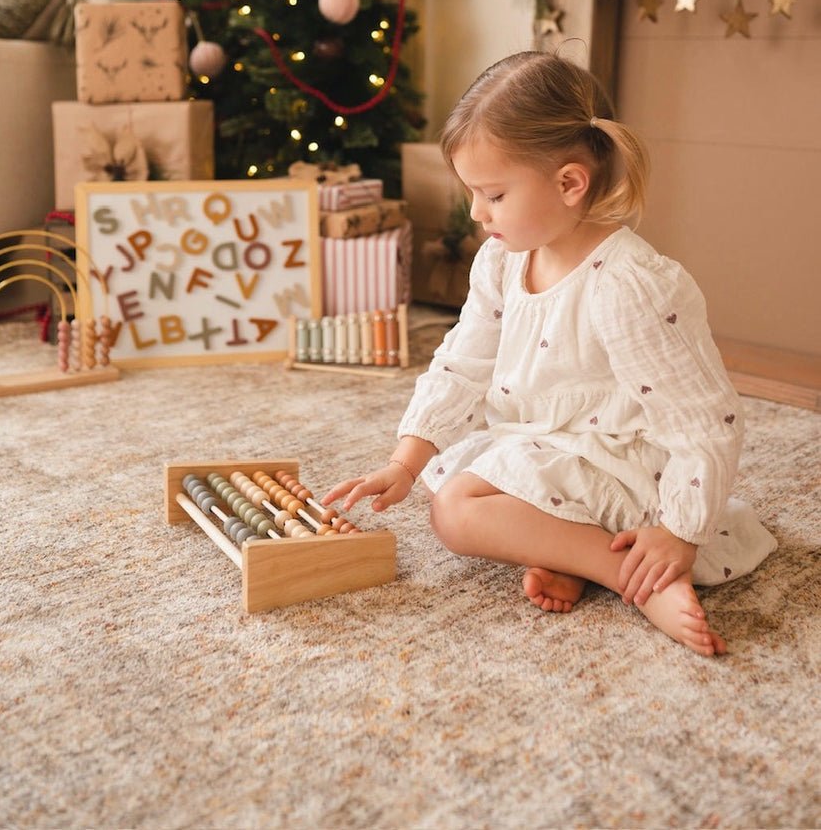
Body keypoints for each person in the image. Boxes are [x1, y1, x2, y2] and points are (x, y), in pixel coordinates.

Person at [323, 51, 777, 656]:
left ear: (569, 183)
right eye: (472, 194)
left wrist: (679, 532)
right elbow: (464, 360)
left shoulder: (629, 286)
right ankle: (574, 554)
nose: (476, 213)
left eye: (493, 194)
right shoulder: (503, 259)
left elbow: (702, 419)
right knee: (451, 486)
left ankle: (633, 577)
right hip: (547, 444)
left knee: (457, 510)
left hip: (626, 467)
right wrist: (407, 461)